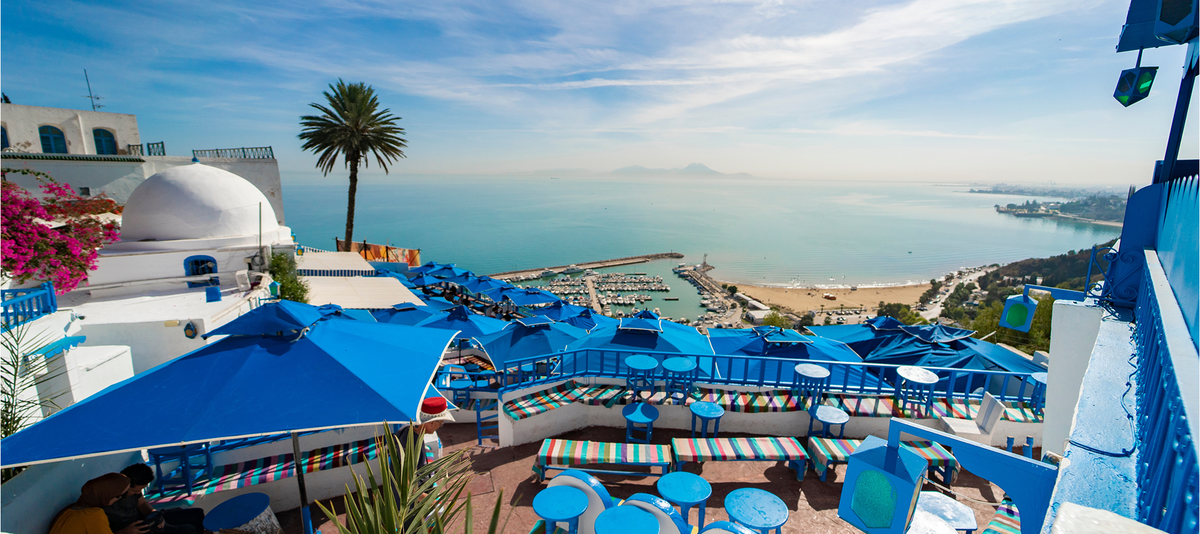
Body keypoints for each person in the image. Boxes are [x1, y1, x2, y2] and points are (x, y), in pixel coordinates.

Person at [104, 464, 206, 534]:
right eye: (135, 491)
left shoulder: (133, 492)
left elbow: (142, 503)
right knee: (189, 530)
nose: (138, 493)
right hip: (138, 530)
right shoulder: (105, 503)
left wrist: (155, 515)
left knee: (197, 514)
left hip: (148, 521)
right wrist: (123, 532)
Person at [49, 473, 146, 534]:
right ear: (104, 495)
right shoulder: (94, 514)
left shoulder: (69, 511)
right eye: (118, 496)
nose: (119, 499)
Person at [394, 397, 455, 472]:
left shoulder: (409, 429)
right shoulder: (412, 444)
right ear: (431, 423)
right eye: (441, 423)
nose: (440, 426)